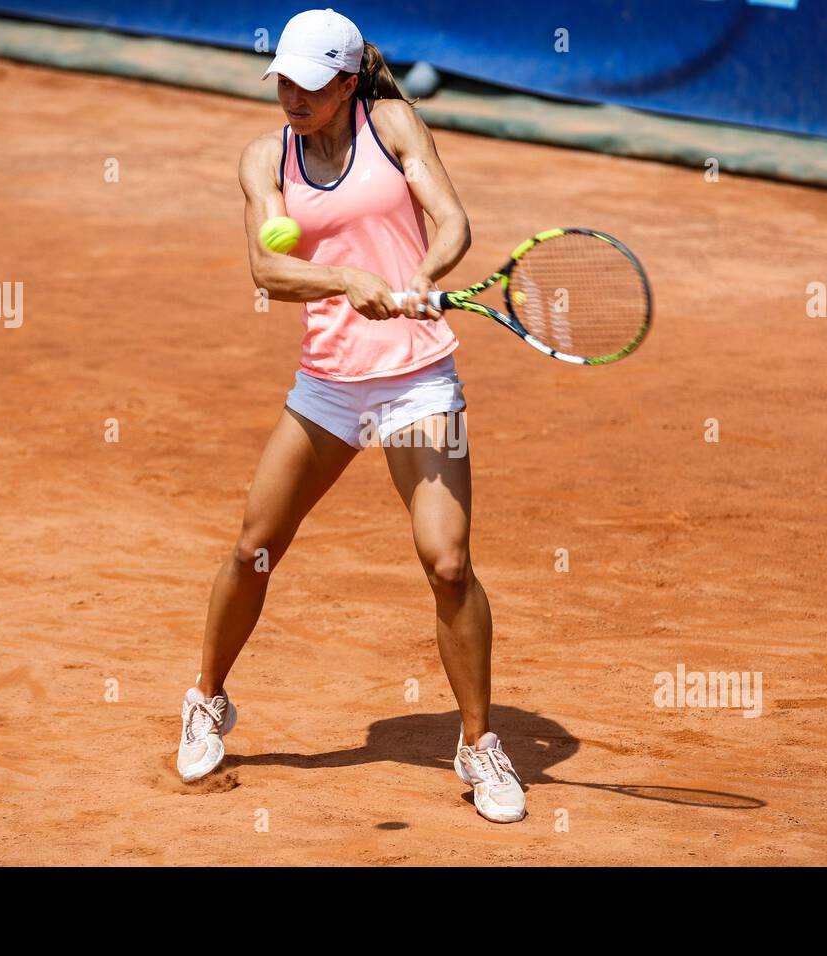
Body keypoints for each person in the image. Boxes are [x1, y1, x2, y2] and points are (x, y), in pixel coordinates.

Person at [177, 8, 525, 823]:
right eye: (282, 82)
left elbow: (454, 224)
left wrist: (419, 277)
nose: (289, 95)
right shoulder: (266, 156)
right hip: (330, 384)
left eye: (307, 83)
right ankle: (207, 697)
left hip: (417, 381)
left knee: (447, 562)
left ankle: (478, 744)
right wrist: (346, 281)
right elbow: (266, 267)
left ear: (344, 82)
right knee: (255, 546)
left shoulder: (395, 124)